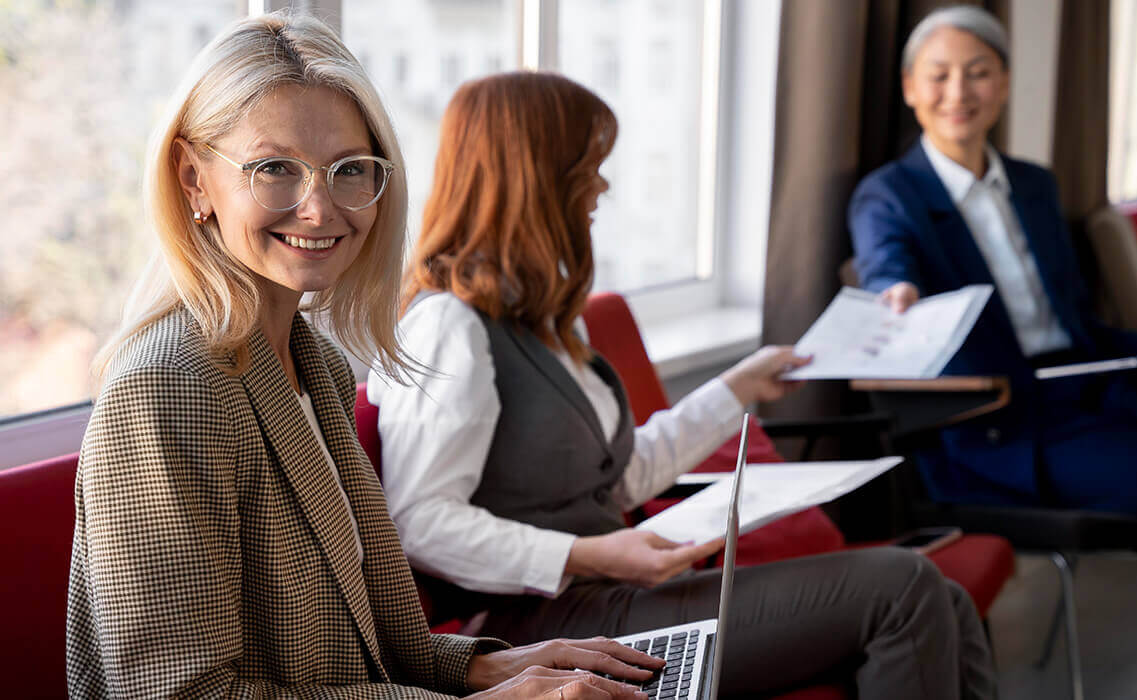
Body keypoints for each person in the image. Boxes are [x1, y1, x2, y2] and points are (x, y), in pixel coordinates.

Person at [67, 13, 665, 699]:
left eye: (350, 170)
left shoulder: (309, 355)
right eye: (274, 169)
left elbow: (372, 648)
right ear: (194, 179)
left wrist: (489, 667)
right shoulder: (168, 388)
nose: (320, 208)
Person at [368, 71, 996, 700]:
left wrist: (739, 388)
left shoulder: (535, 318)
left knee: (944, 597)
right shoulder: (449, 326)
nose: (602, 185)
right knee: (903, 587)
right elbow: (420, 523)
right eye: (588, 165)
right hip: (544, 629)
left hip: (609, 599)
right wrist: (590, 555)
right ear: (533, 175)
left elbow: (618, 477)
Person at [848, 5, 1137, 697]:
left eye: (977, 73)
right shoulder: (889, 194)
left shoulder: (1035, 184)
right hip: (998, 420)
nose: (959, 92)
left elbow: (1070, 313)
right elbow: (888, 264)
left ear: (1003, 85)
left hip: (1080, 377)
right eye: (939, 76)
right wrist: (897, 293)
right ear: (910, 87)